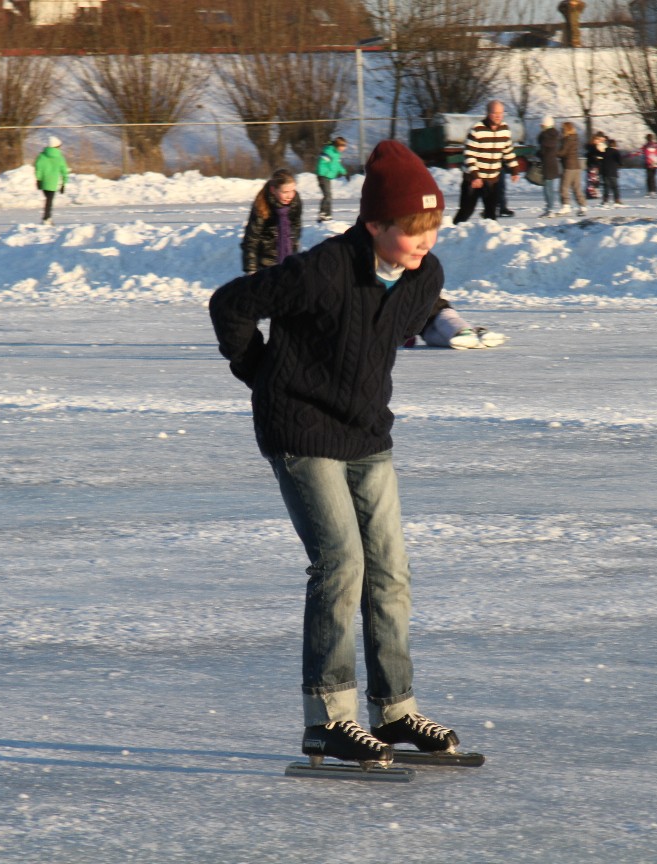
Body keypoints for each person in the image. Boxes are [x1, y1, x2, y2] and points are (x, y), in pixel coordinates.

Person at [209, 140, 462, 768]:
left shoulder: (424, 274)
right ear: (374, 224)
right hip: (301, 432)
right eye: (412, 229)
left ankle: (394, 711)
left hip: (366, 435)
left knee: (390, 572)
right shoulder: (322, 269)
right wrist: (260, 372)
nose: (425, 242)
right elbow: (231, 304)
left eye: (432, 227)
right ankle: (327, 719)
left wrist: (448, 325)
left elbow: (411, 317)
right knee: (340, 565)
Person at [453, 100, 521, 224]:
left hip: (492, 180)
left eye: (501, 113)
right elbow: (469, 154)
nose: (498, 116)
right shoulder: (477, 129)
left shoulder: (505, 129)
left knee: (491, 215)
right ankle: (453, 232)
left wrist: (514, 170)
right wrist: (475, 176)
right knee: (466, 212)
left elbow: (508, 151)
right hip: (473, 180)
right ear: (488, 113)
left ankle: (489, 235)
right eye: (495, 113)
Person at [241, 169, 302, 274]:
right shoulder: (261, 204)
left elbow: (296, 225)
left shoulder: (295, 202)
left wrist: (293, 243)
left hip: (289, 257)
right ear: (273, 190)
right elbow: (251, 238)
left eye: (292, 190)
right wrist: (251, 269)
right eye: (285, 192)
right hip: (265, 261)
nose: (290, 196)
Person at [404, 296, 508, 349]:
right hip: (426, 331)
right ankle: (476, 338)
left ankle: (466, 332)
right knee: (446, 340)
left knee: (447, 322)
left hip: (439, 313)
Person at [34, 135, 69, 226]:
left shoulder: (41, 156)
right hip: (53, 183)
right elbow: (64, 171)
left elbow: (38, 168)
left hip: (43, 182)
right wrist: (64, 183)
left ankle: (47, 217)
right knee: (49, 200)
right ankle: (46, 218)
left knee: (48, 200)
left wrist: (38, 179)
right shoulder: (60, 157)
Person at [316, 136, 348, 222]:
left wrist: (344, 172)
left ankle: (328, 215)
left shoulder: (337, 154)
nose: (344, 148)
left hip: (327, 176)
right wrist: (323, 174)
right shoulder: (328, 151)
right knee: (327, 195)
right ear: (338, 145)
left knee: (329, 195)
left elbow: (337, 165)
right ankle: (322, 213)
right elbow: (321, 163)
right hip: (323, 176)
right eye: (343, 146)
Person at [536, 115, 563, 217]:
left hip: (546, 163)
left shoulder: (544, 136)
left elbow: (542, 152)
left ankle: (550, 208)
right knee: (550, 187)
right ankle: (550, 208)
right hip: (553, 163)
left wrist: (537, 153)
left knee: (547, 188)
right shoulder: (555, 135)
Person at [559, 121, 586, 216]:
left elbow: (563, 152)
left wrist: (553, 153)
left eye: (562, 129)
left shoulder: (567, 139)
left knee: (564, 187)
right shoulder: (575, 138)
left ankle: (566, 206)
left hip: (569, 166)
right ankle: (582, 206)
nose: (561, 131)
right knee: (576, 187)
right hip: (576, 166)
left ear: (566, 129)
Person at [600, 137, 624, 207]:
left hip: (605, 172)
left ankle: (605, 200)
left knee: (606, 187)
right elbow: (620, 162)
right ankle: (617, 200)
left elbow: (600, 160)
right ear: (614, 145)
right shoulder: (616, 152)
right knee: (615, 187)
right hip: (613, 172)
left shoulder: (604, 152)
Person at [585, 131, 606, 201]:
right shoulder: (593, 147)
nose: (598, 141)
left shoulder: (593, 146)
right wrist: (601, 155)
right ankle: (591, 194)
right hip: (593, 165)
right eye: (597, 140)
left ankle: (593, 193)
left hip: (594, 165)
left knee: (594, 180)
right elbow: (595, 154)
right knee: (592, 180)